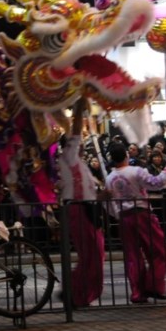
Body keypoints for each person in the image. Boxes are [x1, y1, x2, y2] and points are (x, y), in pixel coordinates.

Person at [105, 142, 166, 303]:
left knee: (133, 257)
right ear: (126, 155)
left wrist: (117, 215)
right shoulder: (136, 171)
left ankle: (137, 292)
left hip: (124, 217)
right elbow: (156, 183)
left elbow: (109, 204)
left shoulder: (109, 178)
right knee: (161, 252)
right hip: (141, 214)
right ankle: (153, 285)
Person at [57, 98, 105, 308]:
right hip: (77, 210)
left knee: (95, 254)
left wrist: (103, 196)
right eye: (77, 140)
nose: (82, 141)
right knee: (90, 255)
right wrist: (79, 104)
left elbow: (90, 194)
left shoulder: (80, 165)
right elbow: (76, 130)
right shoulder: (68, 156)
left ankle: (77, 292)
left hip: (86, 211)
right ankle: (74, 293)